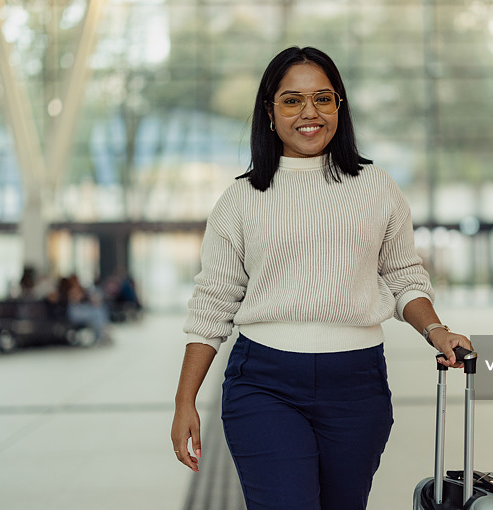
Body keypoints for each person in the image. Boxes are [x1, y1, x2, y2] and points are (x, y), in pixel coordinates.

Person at [171, 46, 473, 510]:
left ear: (339, 107)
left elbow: (402, 275)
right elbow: (213, 304)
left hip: (357, 385)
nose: (309, 113)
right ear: (269, 113)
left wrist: (436, 330)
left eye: (323, 99)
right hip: (264, 382)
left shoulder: (375, 186)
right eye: (292, 100)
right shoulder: (241, 198)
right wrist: (185, 400)